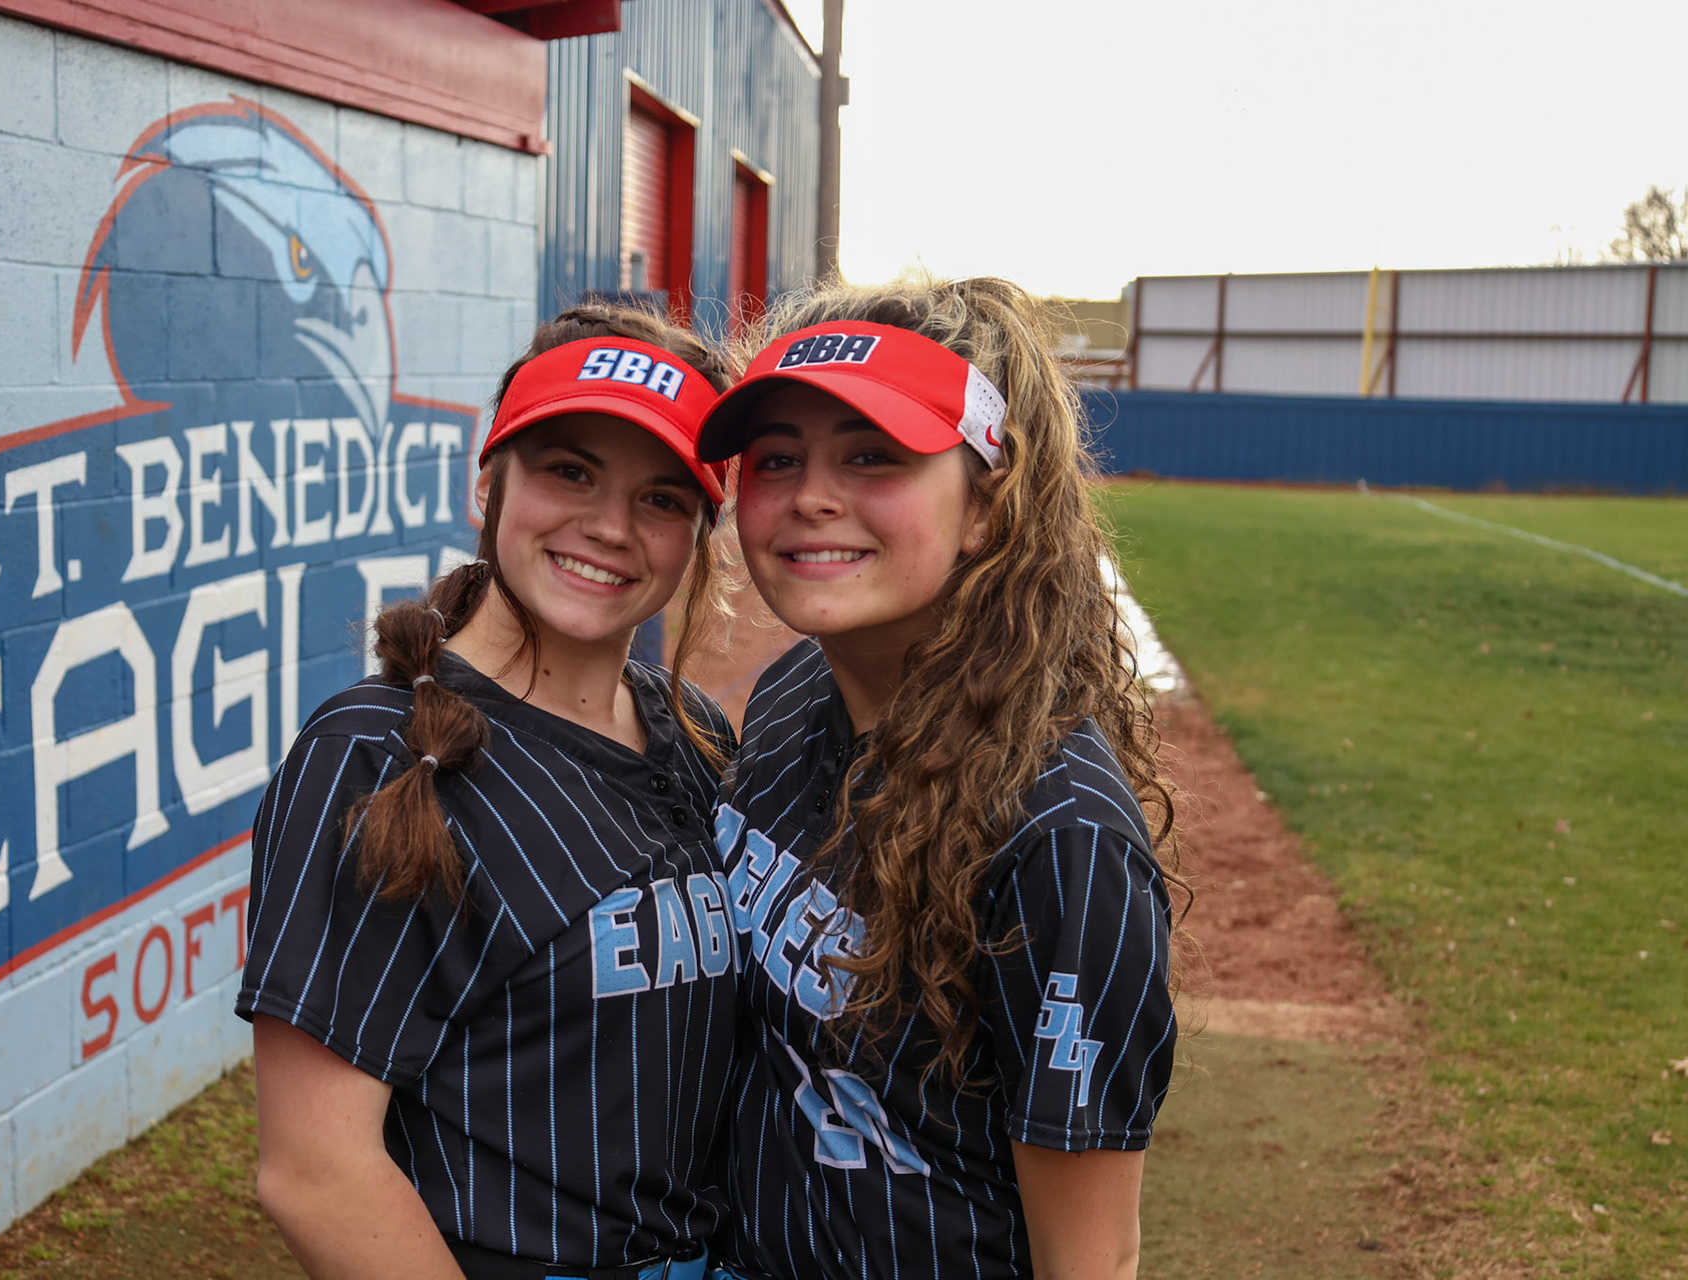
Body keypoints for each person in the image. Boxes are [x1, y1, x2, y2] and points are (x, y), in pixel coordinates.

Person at [239, 305, 741, 1280]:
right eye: (570, 469)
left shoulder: (695, 732)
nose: (608, 526)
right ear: (490, 477)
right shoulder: (379, 754)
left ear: (697, 534)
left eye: (663, 497)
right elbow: (315, 1169)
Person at [694, 278, 1180, 1280]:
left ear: (985, 510)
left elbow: (1089, 1256)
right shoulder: (793, 691)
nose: (810, 495)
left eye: (873, 456)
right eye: (778, 457)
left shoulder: (1060, 836)